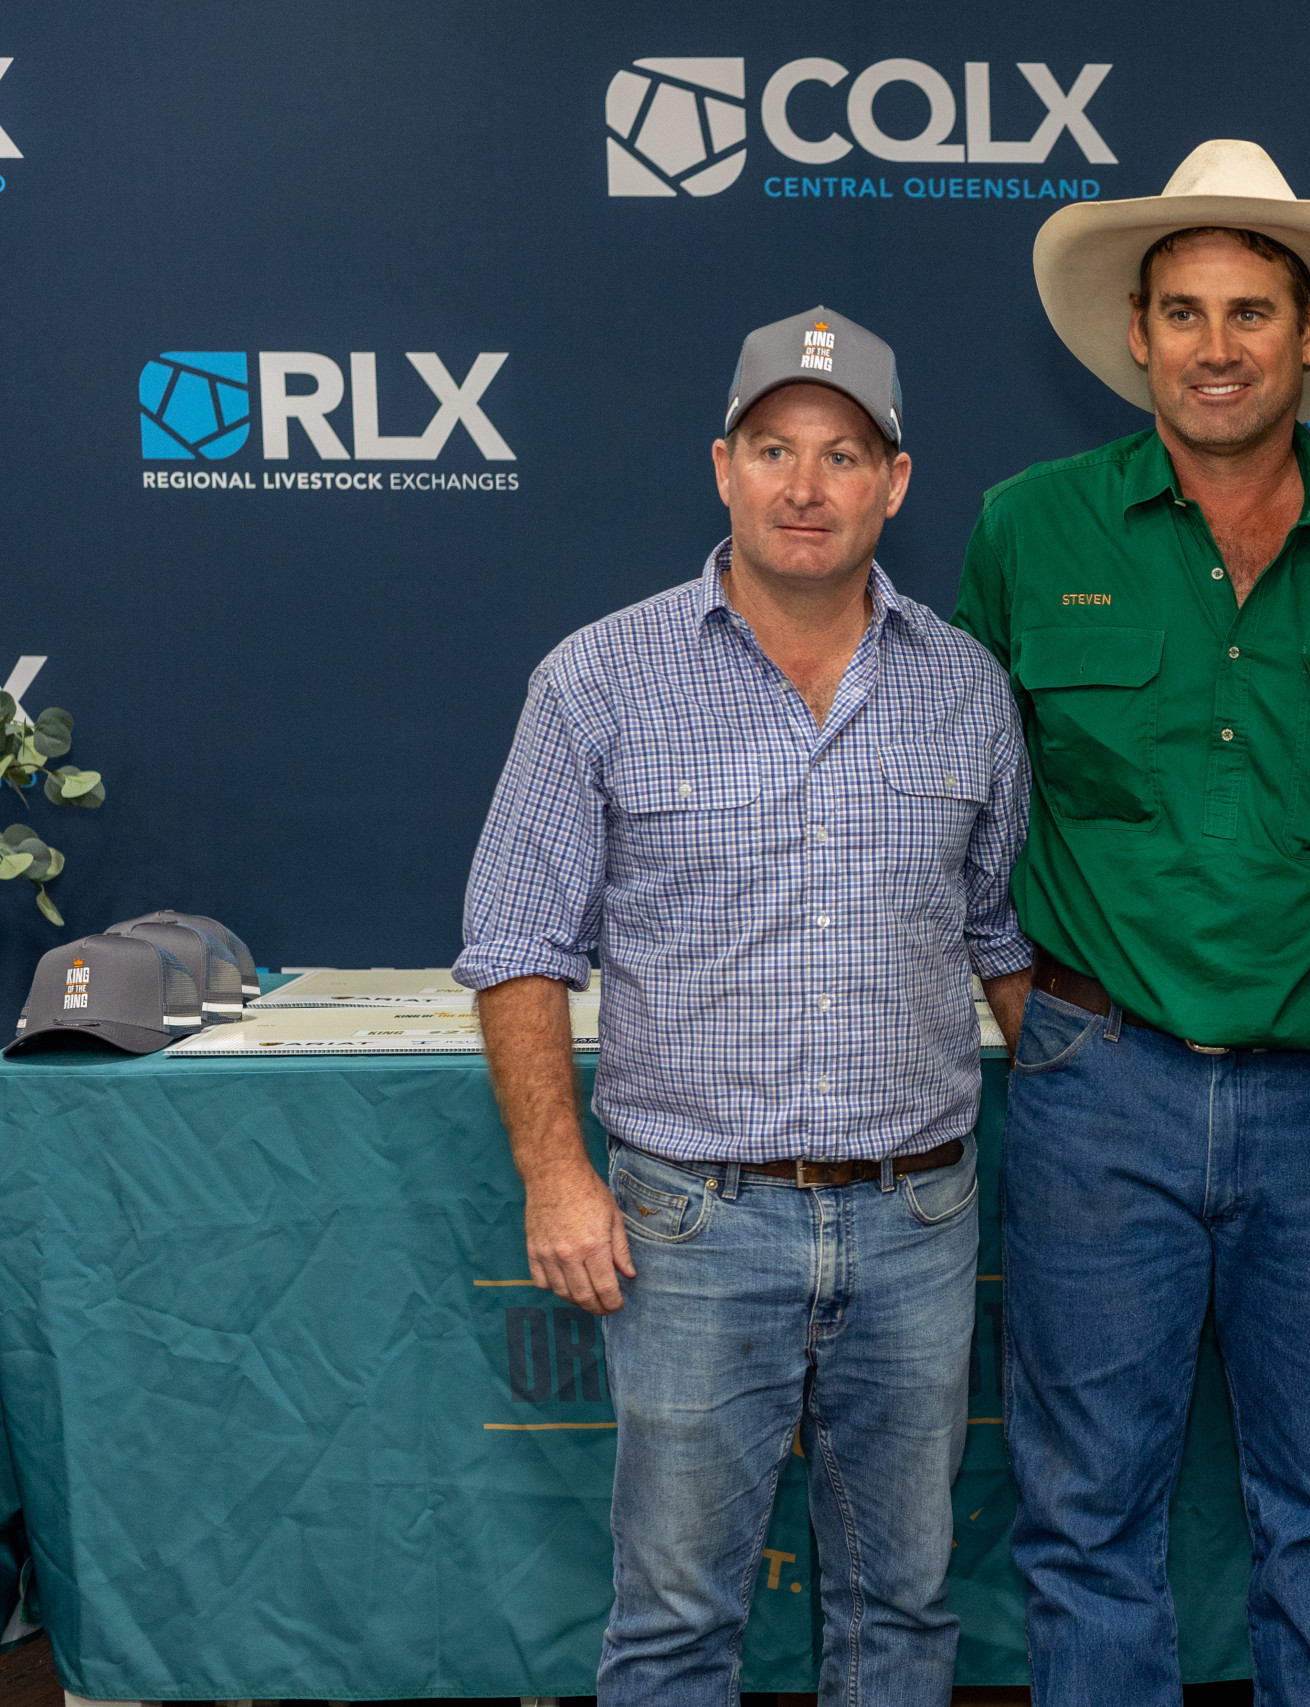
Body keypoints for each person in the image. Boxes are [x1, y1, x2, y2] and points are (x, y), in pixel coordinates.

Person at [952, 139, 1310, 1705]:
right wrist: (1021, 1008)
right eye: (1184, 312)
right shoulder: (1028, 528)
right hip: (1095, 1085)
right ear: (1137, 334)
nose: (1218, 345)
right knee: (1086, 1510)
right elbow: (961, 795)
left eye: (1253, 311)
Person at [455, 307, 1032, 1707]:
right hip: (691, 1223)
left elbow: (1004, 935)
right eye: (775, 448)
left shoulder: (964, 688)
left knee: (902, 1610)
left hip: (917, 1217)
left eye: (843, 455)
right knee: (672, 1616)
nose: (805, 485)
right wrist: (554, 1177)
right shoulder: (598, 678)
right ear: (724, 464)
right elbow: (516, 942)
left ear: (894, 483)